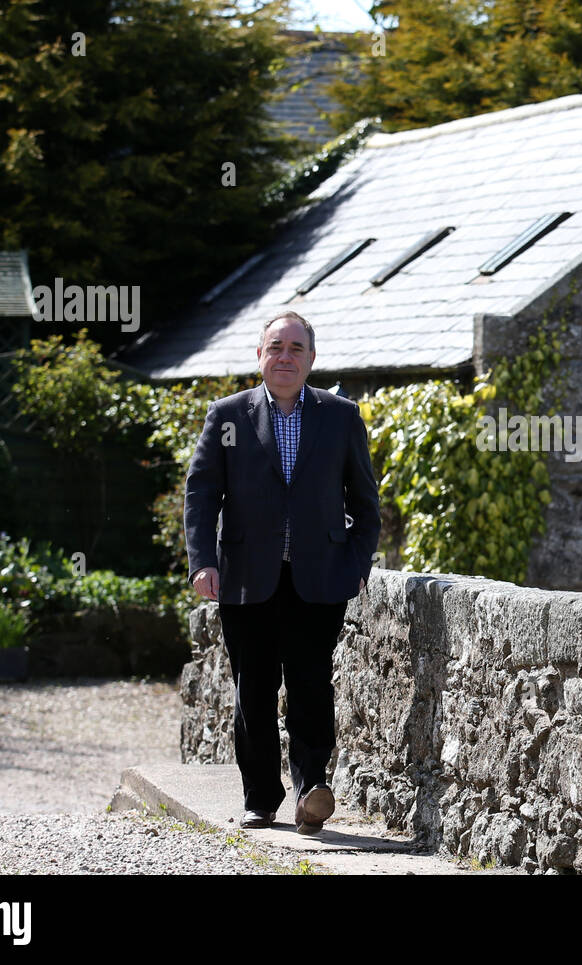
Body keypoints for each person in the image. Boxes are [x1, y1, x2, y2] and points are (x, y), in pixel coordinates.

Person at [183, 310, 381, 832]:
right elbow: (202, 495)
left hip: (320, 578)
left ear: (312, 358)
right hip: (247, 577)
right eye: (276, 347)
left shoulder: (340, 416)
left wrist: (358, 562)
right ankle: (260, 798)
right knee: (254, 688)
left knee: (312, 682)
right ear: (260, 356)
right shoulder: (227, 417)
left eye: (296, 348)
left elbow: (365, 501)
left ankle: (312, 786)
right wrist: (202, 561)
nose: (285, 357)